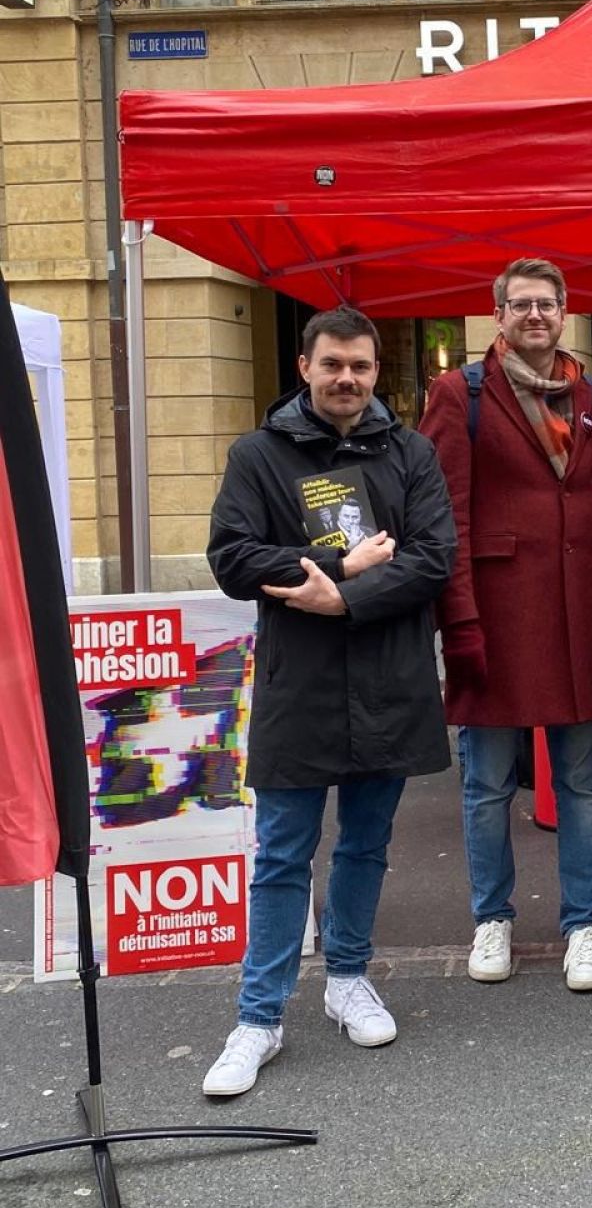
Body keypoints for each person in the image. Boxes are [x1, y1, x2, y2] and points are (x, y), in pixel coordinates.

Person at [201, 306, 456, 1097]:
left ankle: (348, 978)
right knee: (282, 852)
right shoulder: (258, 455)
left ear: (377, 371)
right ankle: (259, 1016)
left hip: (388, 677)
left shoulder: (411, 453)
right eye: (333, 364)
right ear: (305, 367)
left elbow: (434, 558)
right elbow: (233, 557)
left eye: (361, 366)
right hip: (301, 683)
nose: (347, 378)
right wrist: (337, 565)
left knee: (366, 843)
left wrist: (344, 600)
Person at [419, 258, 592, 994]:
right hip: (499, 617)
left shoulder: (589, 393)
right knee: (486, 785)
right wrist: (459, 621)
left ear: (564, 313)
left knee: (583, 784)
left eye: (548, 304)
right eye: (521, 304)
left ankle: (584, 924)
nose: (536, 315)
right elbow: (444, 515)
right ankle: (492, 918)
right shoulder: (462, 392)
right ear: (498, 314)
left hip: (579, 615)